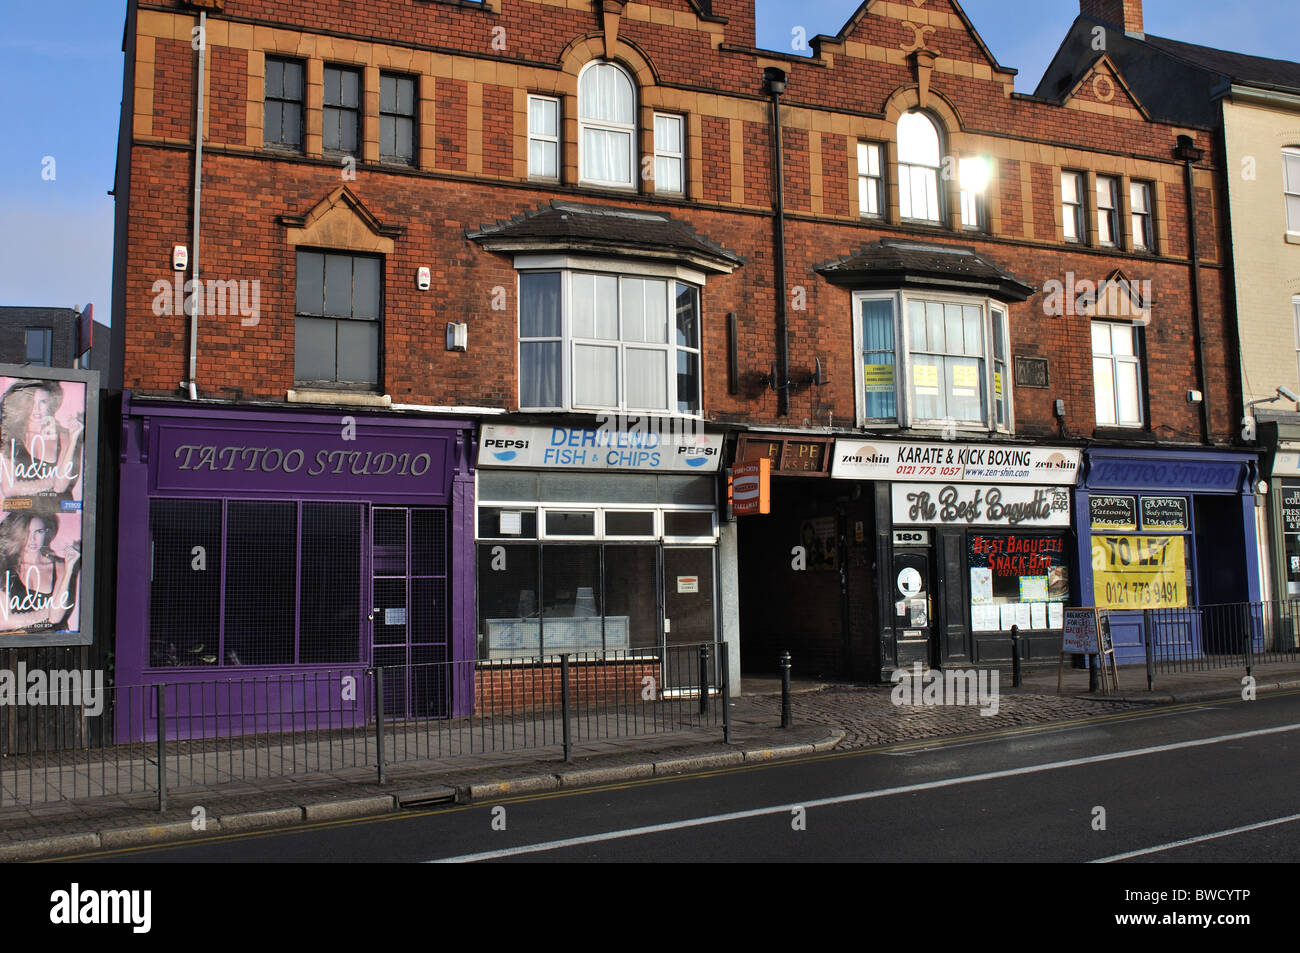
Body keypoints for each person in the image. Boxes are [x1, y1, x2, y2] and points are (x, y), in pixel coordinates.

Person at [0, 508, 79, 633]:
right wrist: (47, 611)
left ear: (46, 533)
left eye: (38, 532)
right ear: (17, 534)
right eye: (27, 532)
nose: (32, 539)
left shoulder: (60, 567)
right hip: (16, 644)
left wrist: (69, 569)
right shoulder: (4, 566)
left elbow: (56, 617)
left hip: (52, 642)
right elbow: (3, 622)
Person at [0, 380, 83, 498]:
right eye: (31, 402)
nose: (36, 408)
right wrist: (51, 481)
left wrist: (73, 438)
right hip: (21, 510)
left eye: (43, 402)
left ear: (50, 404)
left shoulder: (64, 436)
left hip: (55, 509)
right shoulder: (11, 436)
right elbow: (9, 489)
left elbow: (60, 486)